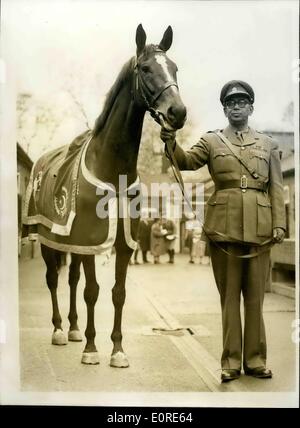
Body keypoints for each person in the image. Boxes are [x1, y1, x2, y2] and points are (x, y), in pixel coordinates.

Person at [160, 80, 286, 383]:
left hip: (260, 228)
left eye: (242, 102)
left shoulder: (268, 144)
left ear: (251, 107)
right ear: (225, 109)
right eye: (231, 103)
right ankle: (230, 362)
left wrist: (280, 223)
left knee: (255, 298)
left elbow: (277, 189)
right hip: (223, 227)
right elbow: (186, 161)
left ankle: (255, 360)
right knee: (229, 297)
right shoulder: (212, 141)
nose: (236, 106)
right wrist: (170, 140)